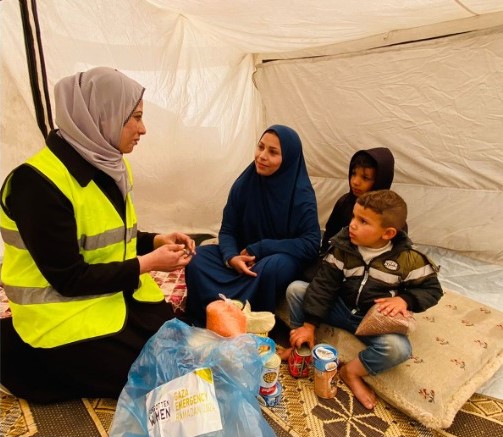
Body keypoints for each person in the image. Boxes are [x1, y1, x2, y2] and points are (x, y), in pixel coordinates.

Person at [0, 67, 196, 403]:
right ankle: (12, 353)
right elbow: (69, 278)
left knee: (176, 347)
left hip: (108, 294)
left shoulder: (110, 164)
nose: (143, 129)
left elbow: (110, 237)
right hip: (60, 313)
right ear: (102, 116)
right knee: (143, 374)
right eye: (135, 117)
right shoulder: (36, 185)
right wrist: (149, 263)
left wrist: (155, 241)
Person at [284, 190, 443, 410]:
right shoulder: (342, 248)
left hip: (372, 320)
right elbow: (324, 285)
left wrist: (405, 300)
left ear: (387, 233)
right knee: (296, 289)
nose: (352, 224)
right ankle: (300, 346)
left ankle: (351, 372)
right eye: (354, 217)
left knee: (399, 348)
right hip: (340, 307)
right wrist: (309, 325)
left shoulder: (408, 260)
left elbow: (432, 290)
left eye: (363, 221)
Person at [184, 125, 321, 326]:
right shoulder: (245, 183)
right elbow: (228, 229)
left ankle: (245, 321)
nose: (262, 156)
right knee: (197, 256)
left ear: (288, 159)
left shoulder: (301, 195)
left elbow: (311, 244)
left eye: (273, 152)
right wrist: (231, 257)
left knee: (274, 267)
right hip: (242, 256)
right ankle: (210, 315)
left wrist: (262, 248)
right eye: (260, 147)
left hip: (274, 259)